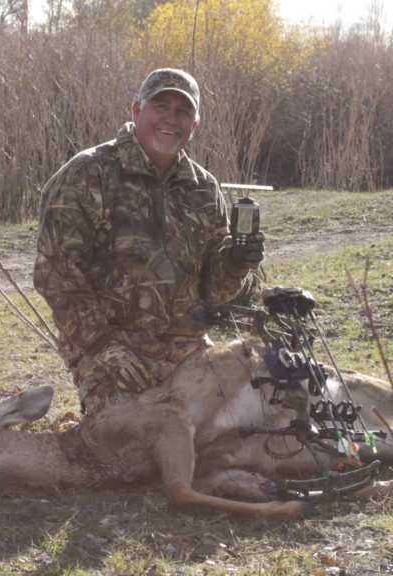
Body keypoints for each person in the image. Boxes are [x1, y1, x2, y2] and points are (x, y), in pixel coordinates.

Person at [33, 68, 265, 415]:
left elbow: (214, 291)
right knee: (135, 447)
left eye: (183, 111)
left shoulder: (203, 187)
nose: (171, 119)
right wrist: (104, 345)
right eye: (161, 106)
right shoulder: (87, 173)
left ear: (195, 124)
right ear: (136, 110)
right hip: (113, 353)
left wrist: (235, 264)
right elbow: (56, 276)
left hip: (187, 348)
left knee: (244, 424)